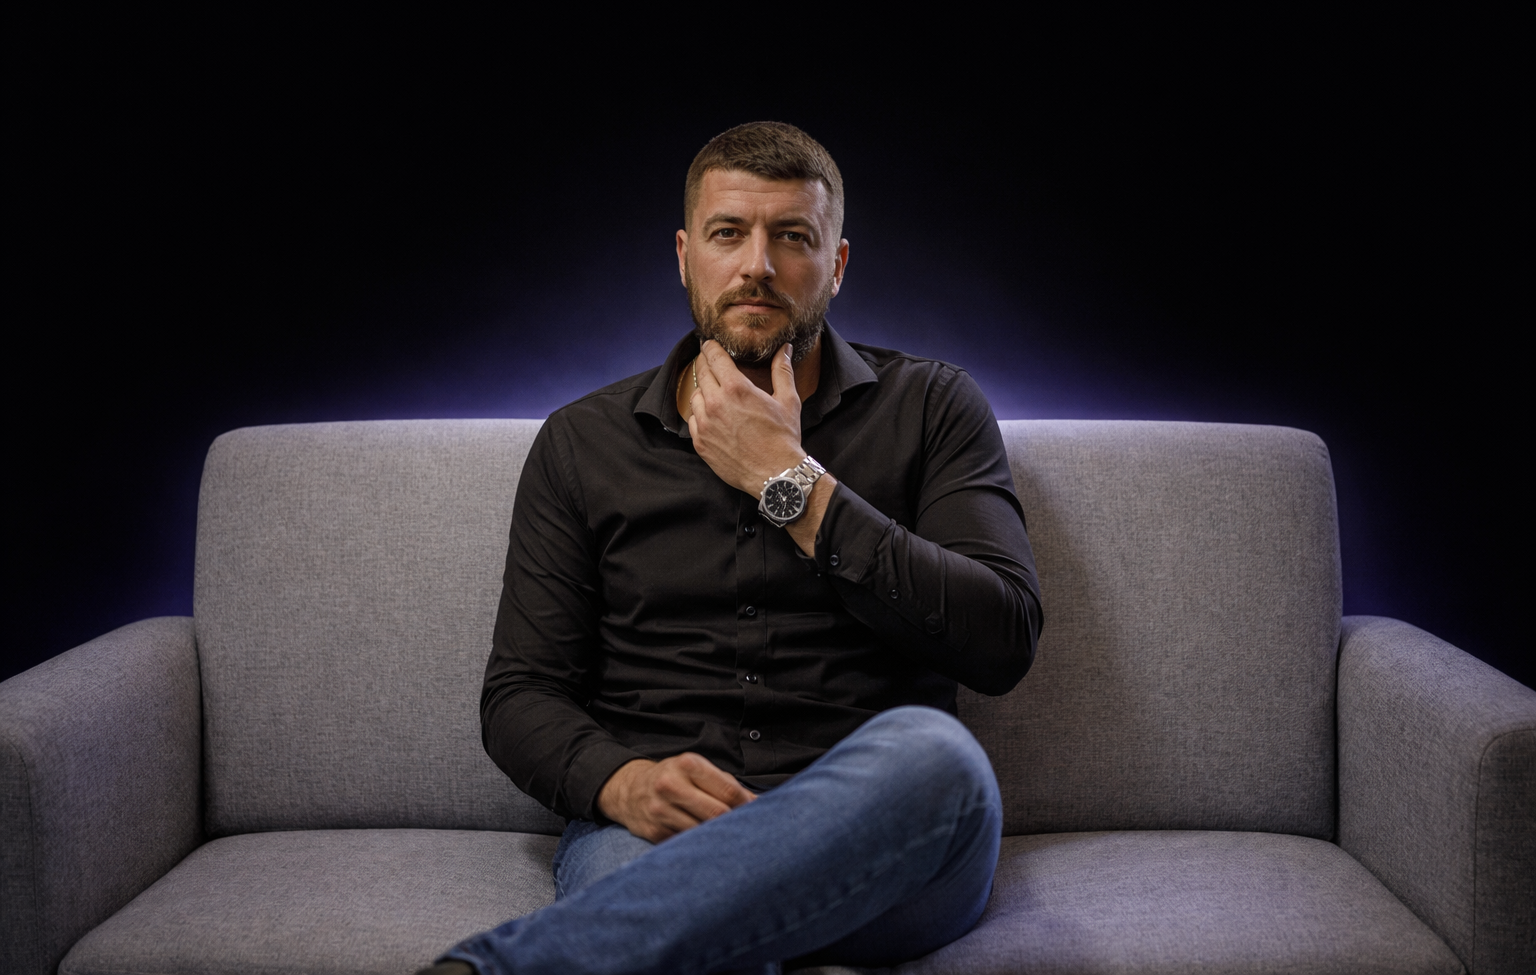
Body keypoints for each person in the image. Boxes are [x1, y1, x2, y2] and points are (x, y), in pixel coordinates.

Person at [421, 122, 1043, 975]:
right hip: (660, 838)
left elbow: (1001, 635)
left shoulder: (934, 407)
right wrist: (618, 782)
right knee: (676, 908)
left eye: (793, 236)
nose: (759, 264)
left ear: (838, 263)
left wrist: (790, 482)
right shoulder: (580, 443)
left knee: (938, 760)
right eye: (728, 233)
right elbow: (521, 693)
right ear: (686, 255)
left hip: (880, 838)